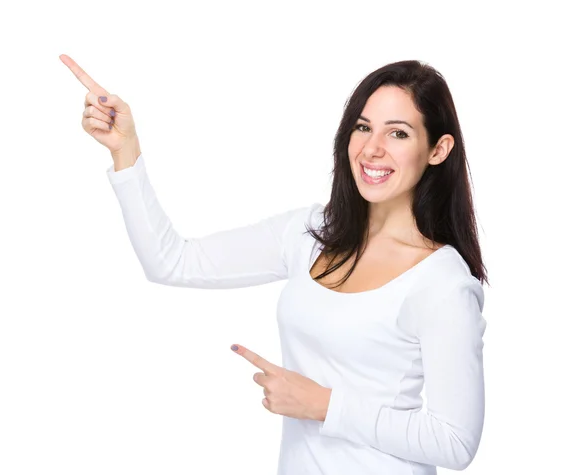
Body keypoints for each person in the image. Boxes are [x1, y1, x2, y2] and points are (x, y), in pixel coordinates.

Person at [61, 54, 488, 475]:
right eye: (363, 127)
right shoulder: (308, 232)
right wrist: (126, 150)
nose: (372, 149)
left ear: (438, 149)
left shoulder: (442, 282)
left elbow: (455, 442)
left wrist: (323, 405)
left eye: (398, 133)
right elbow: (172, 261)